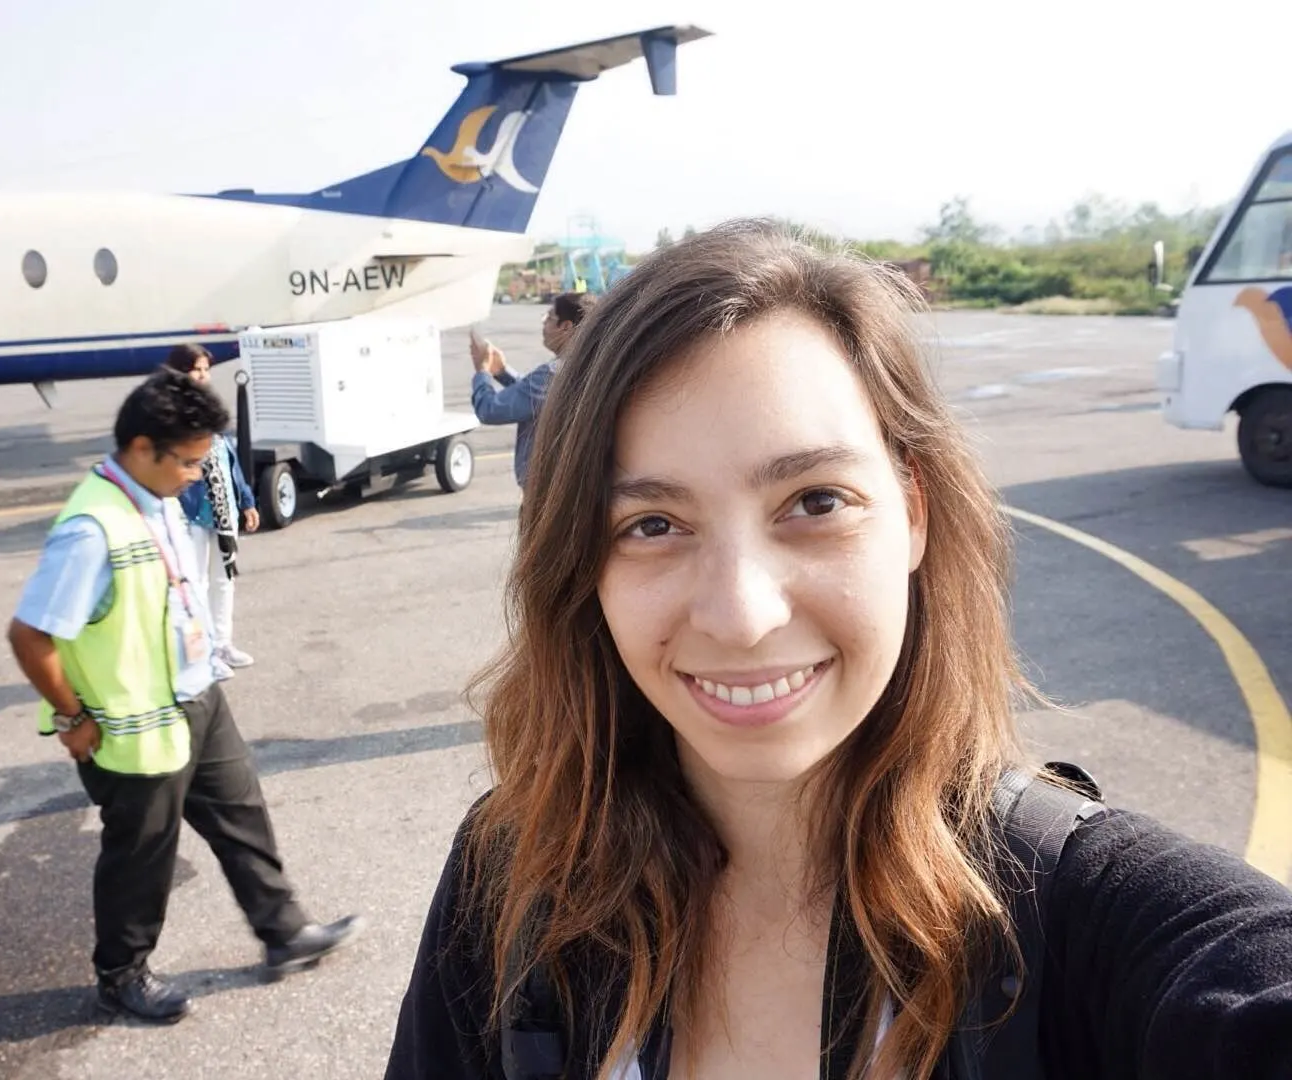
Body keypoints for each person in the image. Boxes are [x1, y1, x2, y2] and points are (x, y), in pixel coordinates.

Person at [384, 221, 1292, 1078]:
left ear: (915, 515)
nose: (740, 617)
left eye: (816, 503)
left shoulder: (1100, 920)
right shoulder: (510, 875)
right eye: (652, 523)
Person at [7, 368, 362, 1025]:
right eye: (192, 461)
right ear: (144, 448)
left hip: (196, 697)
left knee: (244, 818)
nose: (200, 472)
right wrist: (71, 717)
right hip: (131, 732)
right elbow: (29, 635)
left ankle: (284, 933)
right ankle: (121, 974)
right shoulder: (92, 528)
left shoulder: (157, 494)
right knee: (141, 860)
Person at [163, 343, 259, 675]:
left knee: (224, 579)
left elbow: (227, 455)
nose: (203, 376)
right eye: (196, 370)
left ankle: (223, 643)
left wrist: (245, 499)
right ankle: (202, 653)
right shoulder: (170, 412)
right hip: (190, 510)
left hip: (222, 506)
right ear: (179, 372)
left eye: (206, 370)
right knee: (196, 582)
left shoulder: (209, 407)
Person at [469, 292, 596, 488]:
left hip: (545, 493)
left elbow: (489, 410)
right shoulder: (590, 367)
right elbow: (537, 399)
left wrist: (482, 371)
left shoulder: (551, 374)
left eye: (550, 318)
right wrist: (502, 372)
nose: (544, 325)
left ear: (566, 327)